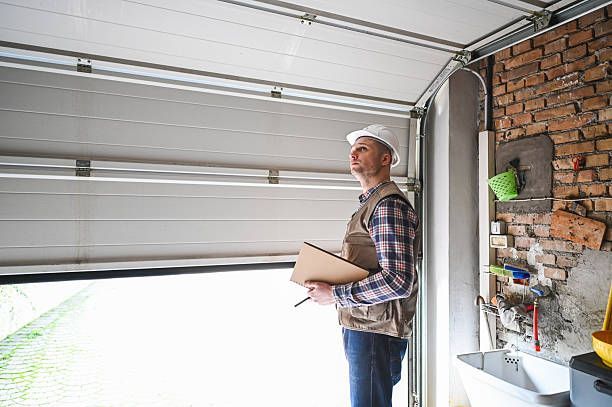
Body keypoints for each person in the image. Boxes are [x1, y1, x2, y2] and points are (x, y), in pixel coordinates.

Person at [304, 124, 419, 407]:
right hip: (365, 325)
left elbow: (398, 281)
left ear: (386, 159)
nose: (353, 154)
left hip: (375, 331)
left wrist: (334, 294)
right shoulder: (370, 205)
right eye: (353, 150)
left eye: (363, 148)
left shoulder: (387, 206)